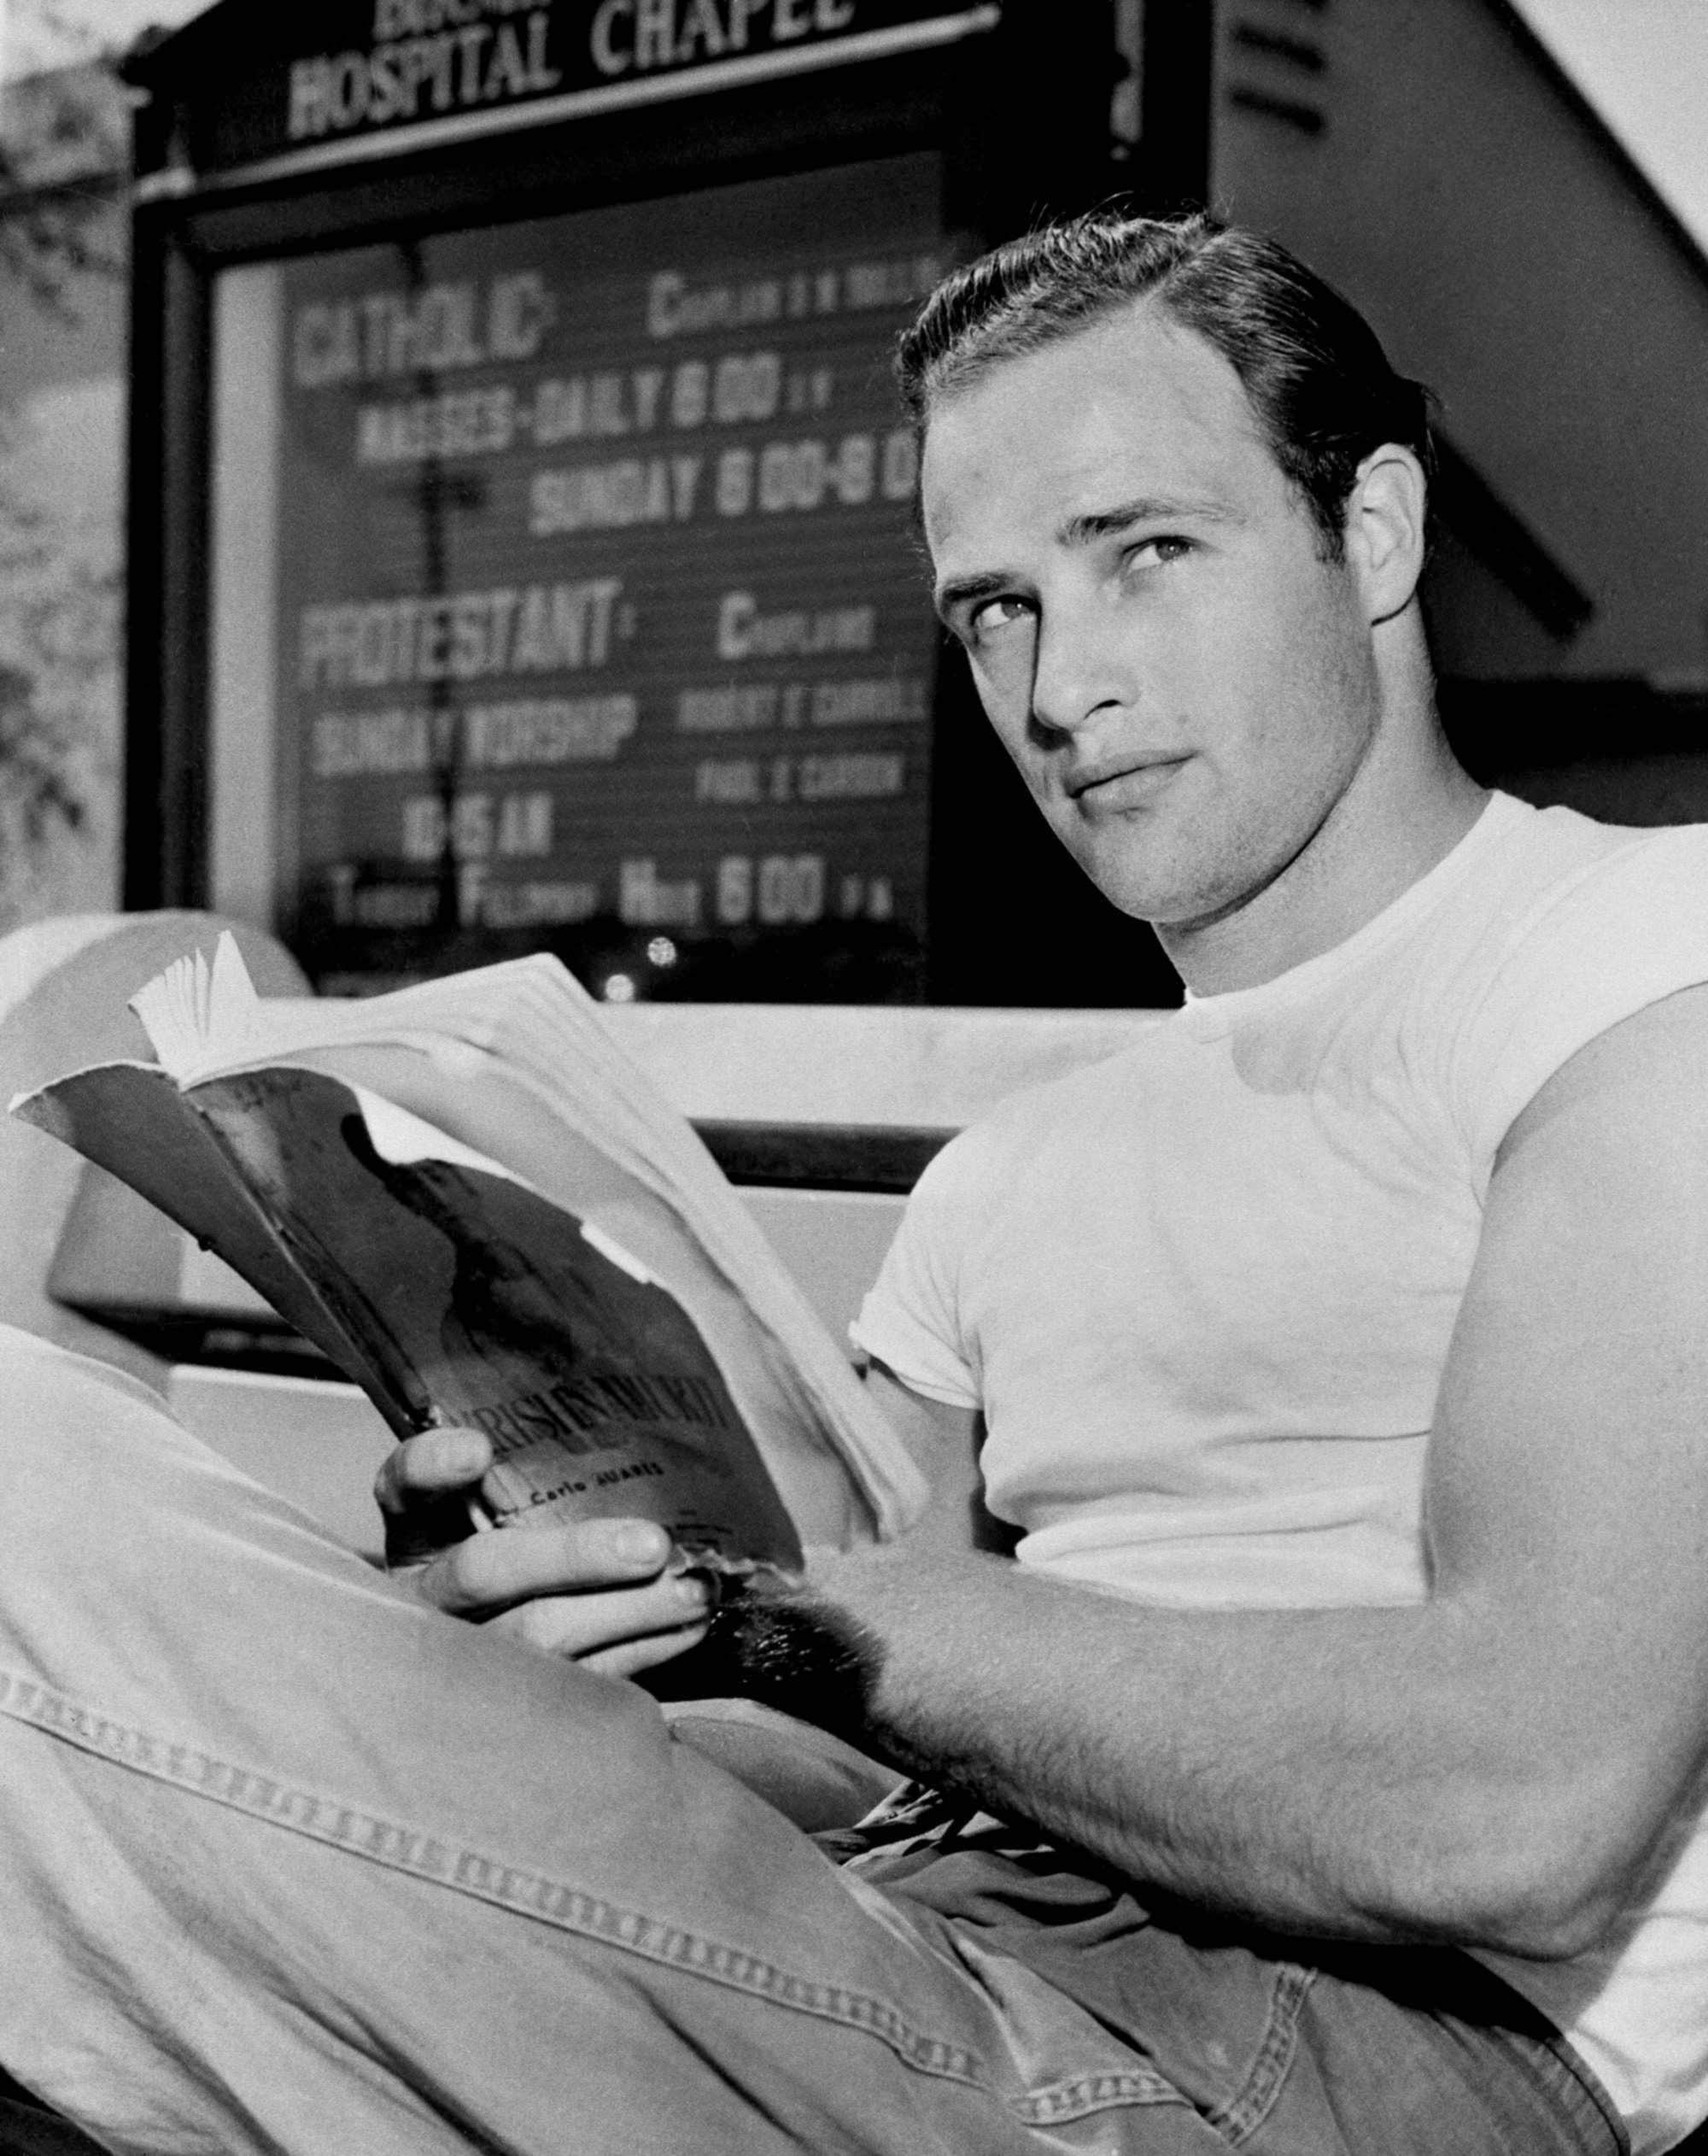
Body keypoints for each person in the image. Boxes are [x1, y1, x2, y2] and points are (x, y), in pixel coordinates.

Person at [4, 210, 1708, 2156]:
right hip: (915, 1956)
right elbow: (847, 1744)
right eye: (995, 610)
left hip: (1338, 2051)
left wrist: (815, 1614)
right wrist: (568, 1621)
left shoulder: (1635, 969)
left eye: (1146, 552)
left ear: (1375, 530)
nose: (1064, 686)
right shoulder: (1016, 1172)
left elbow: (1523, 1808)